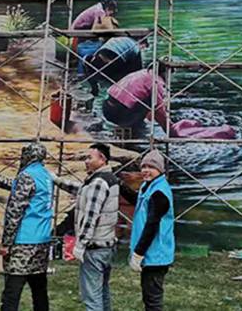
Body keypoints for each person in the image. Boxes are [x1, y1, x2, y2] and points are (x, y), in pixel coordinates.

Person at [51, 143, 120, 311]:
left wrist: (80, 245)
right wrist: (57, 180)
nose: (86, 161)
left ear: (102, 159)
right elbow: (81, 190)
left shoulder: (98, 182)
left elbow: (90, 217)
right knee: (102, 293)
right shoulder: (108, 179)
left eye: (90, 157)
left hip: (94, 248)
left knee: (92, 297)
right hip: (106, 245)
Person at [0, 143, 52, 311]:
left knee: (12, 291)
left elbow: (15, 211)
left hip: (23, 240)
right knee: (39, 289)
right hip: (42, 238)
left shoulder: (26, 175)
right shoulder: (46, 175)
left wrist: (6, 243)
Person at [128, 150, 175, 311]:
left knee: (153, 299)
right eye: (144, 166)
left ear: (160, 169)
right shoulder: (149, 186)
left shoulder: (159, 193)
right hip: (151, 254)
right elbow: (138, 201)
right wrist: (120, 186)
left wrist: (138, 253)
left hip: (156, 255)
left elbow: (152, 225)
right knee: (148, 296)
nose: (146, 170)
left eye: (151, 167)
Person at [101, 68, 168, 139]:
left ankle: (129, 128)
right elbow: (159, 109)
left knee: (145, 99)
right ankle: (129, 128)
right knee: (150, 101)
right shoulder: (157, 82)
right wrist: (169, 129)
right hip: (121, 112)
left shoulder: (142, 72)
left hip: (107, 107)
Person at [71, 0, 119, 75]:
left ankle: (83, 72)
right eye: (111, 12)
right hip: (81, 31)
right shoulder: (100, 11)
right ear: (108, 9)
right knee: (95, 49)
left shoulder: (97, 8)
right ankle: (85, 73)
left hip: (81, 30)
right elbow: (95, 29)